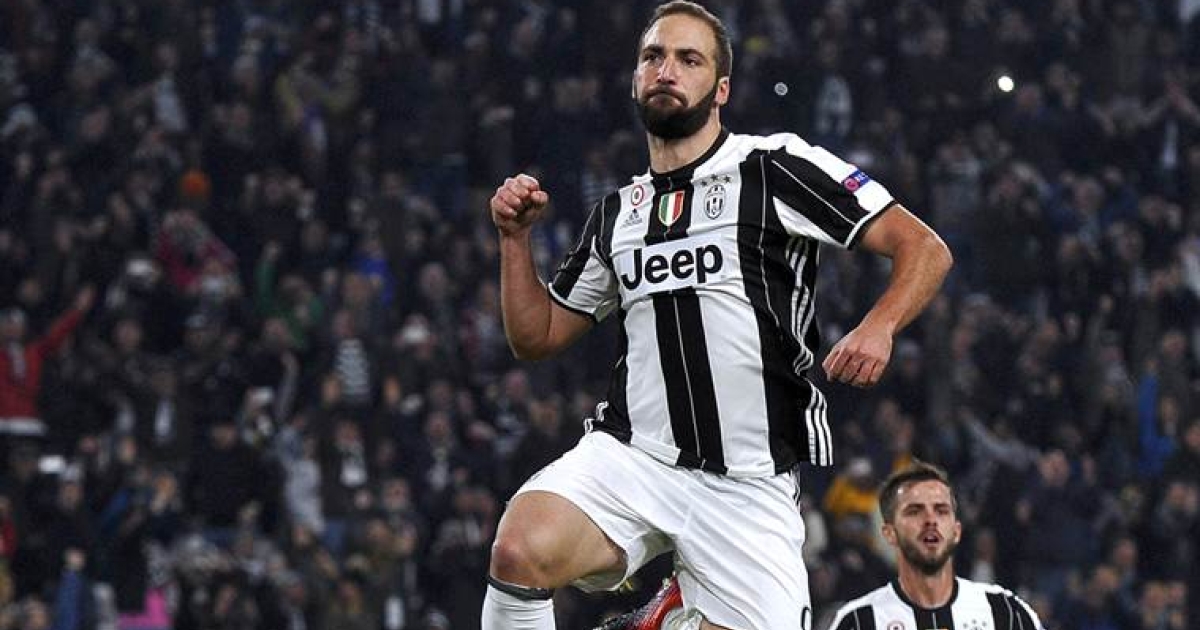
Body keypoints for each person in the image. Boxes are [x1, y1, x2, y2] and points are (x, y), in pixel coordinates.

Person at [483, 2, 953, 629]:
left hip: (748, 483)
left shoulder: (774, 167)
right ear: (635, 78)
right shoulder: (617, 214)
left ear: (721, 88)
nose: (666, 71)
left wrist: (880, 325)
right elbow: (536, 335)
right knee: (518, 550)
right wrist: (514, 241)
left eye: (689, 59)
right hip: (635, 456)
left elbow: (924, 247)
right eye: (653, 57)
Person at [826, 461, 1044, 630]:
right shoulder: (859, 621)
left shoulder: (1006, 613)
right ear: (890, 534)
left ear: (956, 532)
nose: (930, 520)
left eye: (941, 510)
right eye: (914, 511)